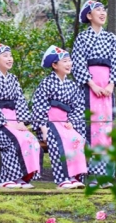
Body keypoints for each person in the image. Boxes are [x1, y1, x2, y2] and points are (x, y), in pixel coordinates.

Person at [71, 0, 116, 184]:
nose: (102, 13)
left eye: (104, 10)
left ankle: (106, 175)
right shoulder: (82, 39)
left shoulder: (111, 38)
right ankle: (92, 175)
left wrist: (111, 85)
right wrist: (92, 85)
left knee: (106, 129)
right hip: (89, 87)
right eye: (98, 10)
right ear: (89, 16)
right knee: (90, 128)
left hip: (107, 88)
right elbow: (78, 64)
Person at [0, 43, 40, 189]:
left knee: (31, 139)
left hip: (14, 121)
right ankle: (6, 179)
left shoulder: (13, 80)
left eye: (10, 56)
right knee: (13, 141)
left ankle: (22, 178)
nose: (10, 59)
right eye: (5, 56)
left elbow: (20, 102)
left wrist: (21, 122)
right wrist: (7, 123)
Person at [31, 45, 87, 189]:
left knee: (77, 139)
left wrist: (72, 122)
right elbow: (39, 107)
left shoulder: (72, 86)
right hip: (49, 123)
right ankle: (62, 179)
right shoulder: (46, 83)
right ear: (55, 65)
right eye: (65, 61)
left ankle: (75, 176)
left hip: (66, 123)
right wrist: (43, 129)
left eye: (69, 61)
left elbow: (78, 107)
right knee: (59, 140)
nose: (69, 64)